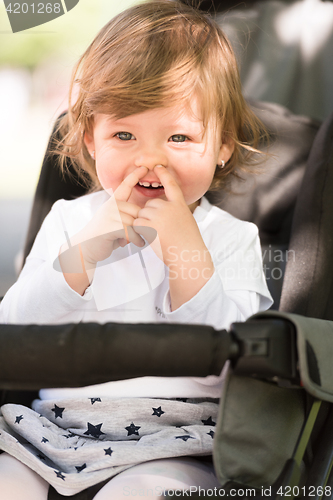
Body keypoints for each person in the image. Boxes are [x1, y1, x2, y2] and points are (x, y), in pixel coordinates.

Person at [0, 1, 273, 498]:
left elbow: (237, 367)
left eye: (179, 136)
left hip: (177, 444)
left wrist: (185, 252)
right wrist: (86, 250)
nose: (150, 159)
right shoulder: (70, 220)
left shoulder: (233, 238)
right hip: (50, 434)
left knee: (138, 492)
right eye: (124, 134)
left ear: (223, 146)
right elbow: (12, 333)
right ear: (91, 140)